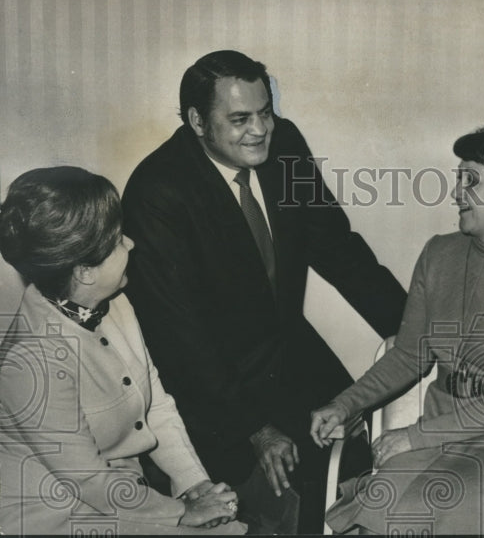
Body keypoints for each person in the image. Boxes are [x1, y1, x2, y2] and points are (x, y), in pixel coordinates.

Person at [121, 50, 406, 534]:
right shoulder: (157, 191)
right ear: (196, 121)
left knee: (361, 469)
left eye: (265, 112)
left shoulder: (285, 145)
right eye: (239, 119)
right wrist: (254, 428)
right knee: (277, 504)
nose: (260, 130)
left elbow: (340, 250)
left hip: (290, 352)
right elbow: (180, 339)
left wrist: (411, 330)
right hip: (215, 384)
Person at [310, 120, 484, 535]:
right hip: (442, 433)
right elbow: (410, 354)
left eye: (470, 181)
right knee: (366, 518)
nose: (455, 193)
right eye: (458, 179)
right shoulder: (438, 254)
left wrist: (417, 435)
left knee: (412, 511)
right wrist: (346, 403)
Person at [0, 167, 245, 535]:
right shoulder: (28, 360)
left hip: (126, 500)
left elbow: (157, 407)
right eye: (118, 240)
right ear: (84, 271)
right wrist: (181, 513)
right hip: (56, 517)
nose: (130, 243)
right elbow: (87, 481)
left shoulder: (116, 304)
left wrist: (195, 485)